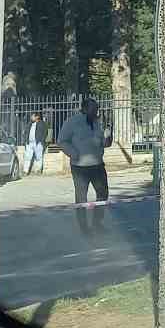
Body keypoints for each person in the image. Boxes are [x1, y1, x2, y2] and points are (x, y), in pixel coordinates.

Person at [58, 97, 109, 234]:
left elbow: (102, 141)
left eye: (97, 109)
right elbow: (62, 141)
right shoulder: (72, 122)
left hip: (97, 165)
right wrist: (73, 153)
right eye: (93, 109)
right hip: (80, 167)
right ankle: (84, 228)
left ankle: (97, 223)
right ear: (85, 109)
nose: (96, 112)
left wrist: (106, 141)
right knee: (81, 198)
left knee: (103, 194)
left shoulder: (97, 123)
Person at [24, 111, 49, 176]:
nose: (31, 117)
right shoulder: (30, 124)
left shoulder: (42, 124)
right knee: (27, 157)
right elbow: (26, 132)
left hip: (38, 143)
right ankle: (25, 171)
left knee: (39, 157)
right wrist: (26, 140)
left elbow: (45, 132)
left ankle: (38, 170)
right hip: (29, 143)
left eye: (33, 116)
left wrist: (41, 141)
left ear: (37, 117)